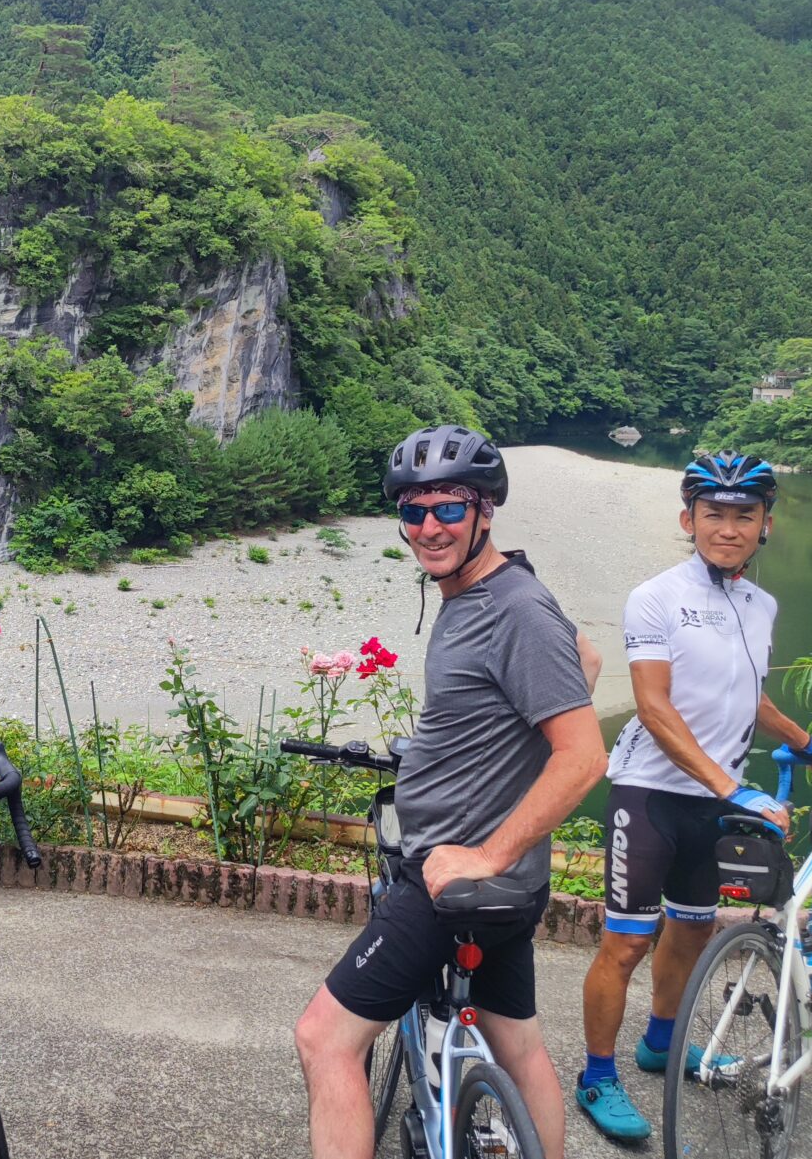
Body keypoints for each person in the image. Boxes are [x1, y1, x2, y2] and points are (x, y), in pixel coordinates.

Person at [295, 425, 608, 1159]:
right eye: (413, 512)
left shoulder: (512, 607)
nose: (429, 527)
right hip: (504, 885)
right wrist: (506, 747)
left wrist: (488, 854)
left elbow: (584, 755)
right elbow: (584, 656)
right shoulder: (484, 590)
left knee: (324, 1041)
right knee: (520, 1047)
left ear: (485, 512)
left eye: (448, 508)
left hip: (452, 878)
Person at [576, 450, 812, 1142]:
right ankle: (597, 1075)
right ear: (688, 518)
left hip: (713, 801)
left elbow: (748, 694)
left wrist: (809, 744)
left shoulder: (762, 603)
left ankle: (662, 1041)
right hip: (650, 792)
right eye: (713, 512)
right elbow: (654, 707)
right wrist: (734, 786)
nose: (728, 526)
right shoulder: (655, 596)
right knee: (626, 942)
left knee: (692, 928)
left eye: (743, 514)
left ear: (765, 525)